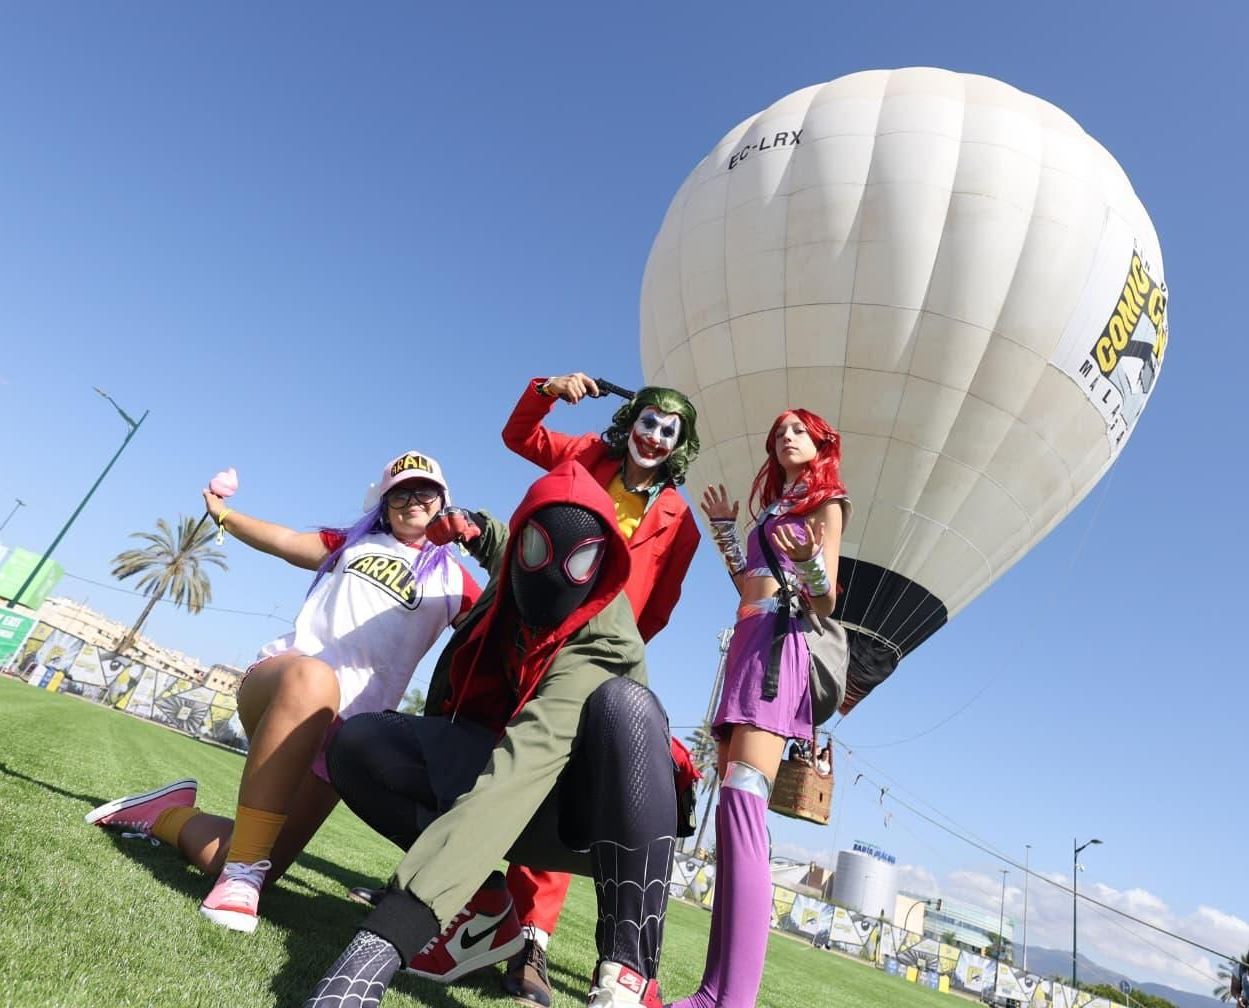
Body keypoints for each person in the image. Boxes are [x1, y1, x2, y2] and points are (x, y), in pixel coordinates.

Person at [303, 461, 685, 1008]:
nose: (553, 574)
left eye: (580, 562)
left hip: (585, 821)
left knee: (626, 704)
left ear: (602, 566)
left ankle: (629, 972)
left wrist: (385, 939)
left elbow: (521, 767)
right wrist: (475, 525)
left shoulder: (605, 639)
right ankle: (482, 907)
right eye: (535, 550)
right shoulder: (512, 572)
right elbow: (506, 543)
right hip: (501, 769)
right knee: (361, 745)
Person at [84, 452, 481, 934]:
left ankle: (165, 814)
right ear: (383, 503)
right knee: (316, 678)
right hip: (284, 684)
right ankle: (241, 873)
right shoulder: (353, 543)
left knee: (247, 863)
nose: (412, 501)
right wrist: (223, 514)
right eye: (399, 494)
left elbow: (495, 627)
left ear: (443, 501)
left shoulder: (455, 581)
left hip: (348, 738)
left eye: (425, 491)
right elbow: (285, 540)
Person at [488, 371, 702, 1006]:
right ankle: (447, 901)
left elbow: (658, 608)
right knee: (482, 751)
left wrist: (608, 650)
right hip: (528, 637)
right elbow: (518, 437)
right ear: (629, 422)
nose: (654, 437)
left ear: (680, 444)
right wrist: (548, 390)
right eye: (647, 422)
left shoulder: (682, 522)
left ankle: (530, 940)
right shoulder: (584, 455)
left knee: (560, 783)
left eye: (669, 431)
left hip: (595, 661)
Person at [669, 408, 849, 1008]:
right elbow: (750, 583)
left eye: (798, 430)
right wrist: (726, 531)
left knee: (745, 810)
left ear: (821, 442)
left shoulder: (827, 504)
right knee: (729, 817)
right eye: (778, 432)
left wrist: (810, 559)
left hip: (778, 652)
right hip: (745, 644)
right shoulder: (773, 510)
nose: (786, 437)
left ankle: (735, 998)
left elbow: (824, 599)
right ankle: (712, 991)